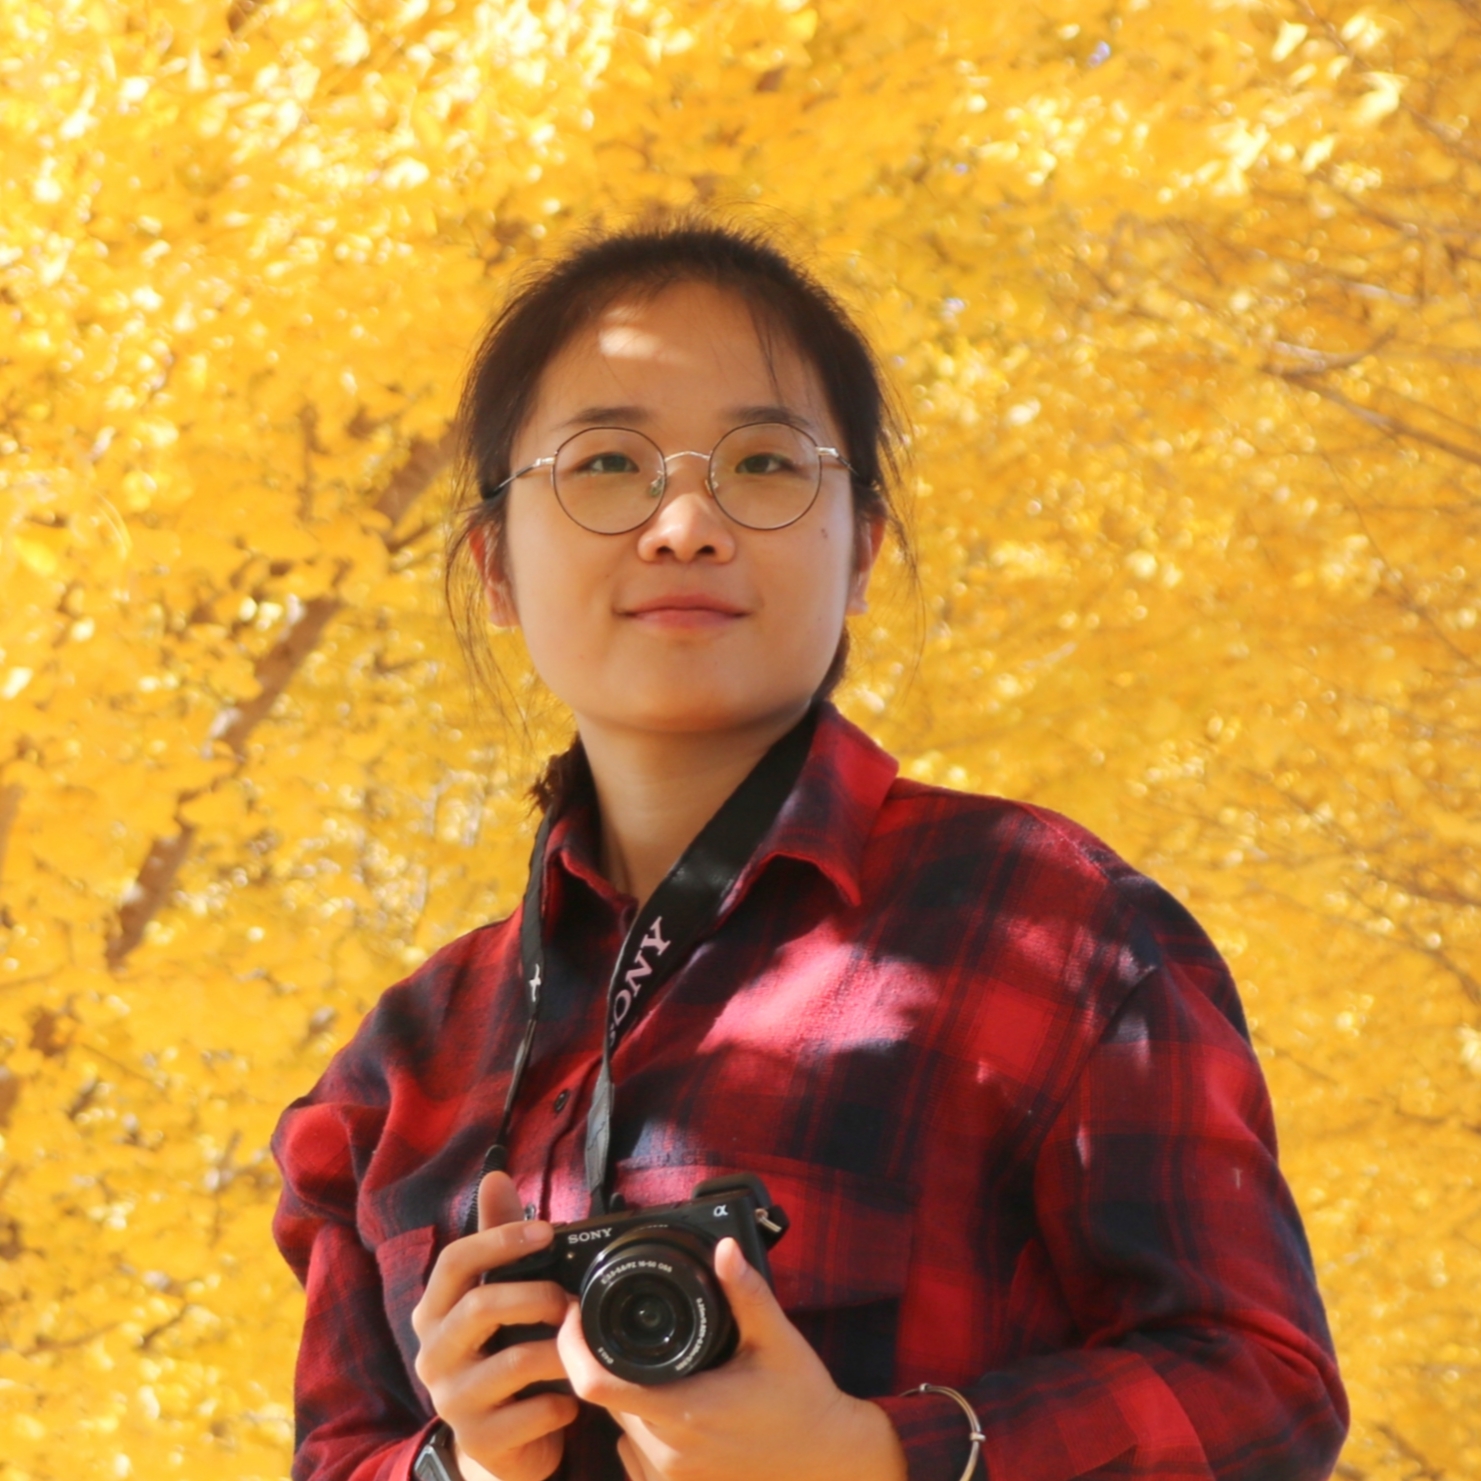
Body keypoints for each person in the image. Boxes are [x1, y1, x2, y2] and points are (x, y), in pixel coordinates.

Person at [271, 221, 1348, 1481]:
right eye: (606, 462)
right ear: (493, 564)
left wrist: (875, 1454)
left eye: (764, 463)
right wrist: (460, 1465)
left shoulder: (1049, 926)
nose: (684, 523)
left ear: (861, 551)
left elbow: (1263, 1393)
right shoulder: (396, 1075)